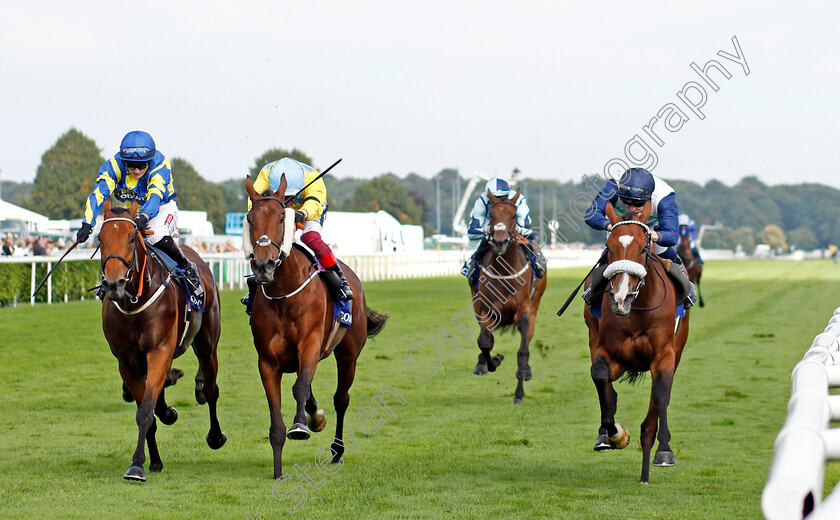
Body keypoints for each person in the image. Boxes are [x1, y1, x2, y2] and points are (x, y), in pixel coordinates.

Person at [75, 130, 202, 295]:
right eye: (131, 165)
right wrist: (87, 223)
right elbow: (99, 194)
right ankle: (109, 277)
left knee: (155, 235)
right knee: (116, 236)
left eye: (141, 165)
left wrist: (144, 217)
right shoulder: (114, 166)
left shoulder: (160, 165)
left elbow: (155, 197)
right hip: (133, 212)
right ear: (124, 161)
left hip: (162, 208)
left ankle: (186, 266)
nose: (136, 170)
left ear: (149, 160)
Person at [241, 157, 352, 314]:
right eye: (285, 197)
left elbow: (314, 205)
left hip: (310, 210)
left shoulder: (313, 179)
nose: (288, 200)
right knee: (268, 239)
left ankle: (341, 281)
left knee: (310, 237)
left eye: (291, 196)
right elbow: (254, 204)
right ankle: (258, 281)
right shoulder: (266, 174)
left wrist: (301, 214)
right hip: (277, 210)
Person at [583, 167, 696, 308]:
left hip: (651, 227)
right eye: (626, 202)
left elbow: (672, 236)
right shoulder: (613, 186)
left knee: (665, 252)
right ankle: (594, 293)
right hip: (621, 226)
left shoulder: (664, 196)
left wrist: (654, 234)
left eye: (638, 204)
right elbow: (591, 214)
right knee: (611, 255)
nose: (631, 208)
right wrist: (611, 226)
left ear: (649, 197)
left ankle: (686, 287)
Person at [460, 177, 546, 283]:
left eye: (503, 197)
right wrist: (487, 231)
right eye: (496, 197)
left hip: (514, 230)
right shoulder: (481, 202)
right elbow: (471, 233)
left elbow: (529, 232)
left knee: (531, 245)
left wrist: (516, 230)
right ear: (489, 195)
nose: (500, 200)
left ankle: (537, 261)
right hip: (491, 230)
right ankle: (472, 267)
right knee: (474, 261)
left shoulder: (518, 199)